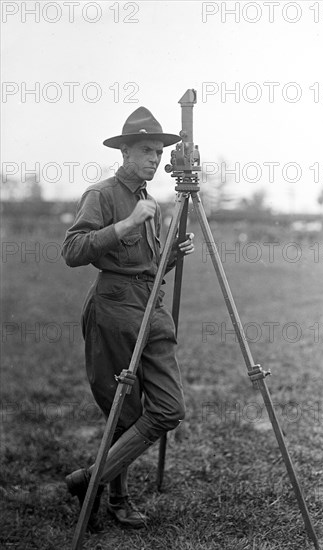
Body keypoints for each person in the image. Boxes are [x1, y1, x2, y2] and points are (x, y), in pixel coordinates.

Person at [62, 106, 194, 531]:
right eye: (147, 151)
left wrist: (172, 255)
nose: (155, 159)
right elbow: (73, 251)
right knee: (123, 410)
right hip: (114, 310)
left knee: (167, 408)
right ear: (125, 154)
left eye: (159, 152)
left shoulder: (148, 201)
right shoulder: (102, 195)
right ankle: (118, 499)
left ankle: (89, 480)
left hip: (150, 309)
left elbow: (145, 267)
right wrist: (125, 225)